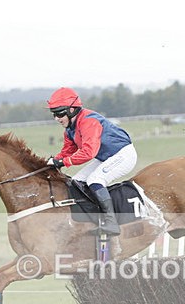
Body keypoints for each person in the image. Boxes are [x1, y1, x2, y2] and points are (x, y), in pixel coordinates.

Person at [46, 87, 137, 235]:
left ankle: (111, 223)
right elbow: (67, 151)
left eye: (59, 113)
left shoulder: (89, 122)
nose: (56, 118)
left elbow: (88, 152)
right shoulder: (69, 129)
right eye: (53, 114)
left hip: (123, 154)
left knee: (95, 179)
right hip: (106, 157)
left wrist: (63, 162)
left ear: (71, 110)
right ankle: (93, 218)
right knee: (76, 182)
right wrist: (53, 162)